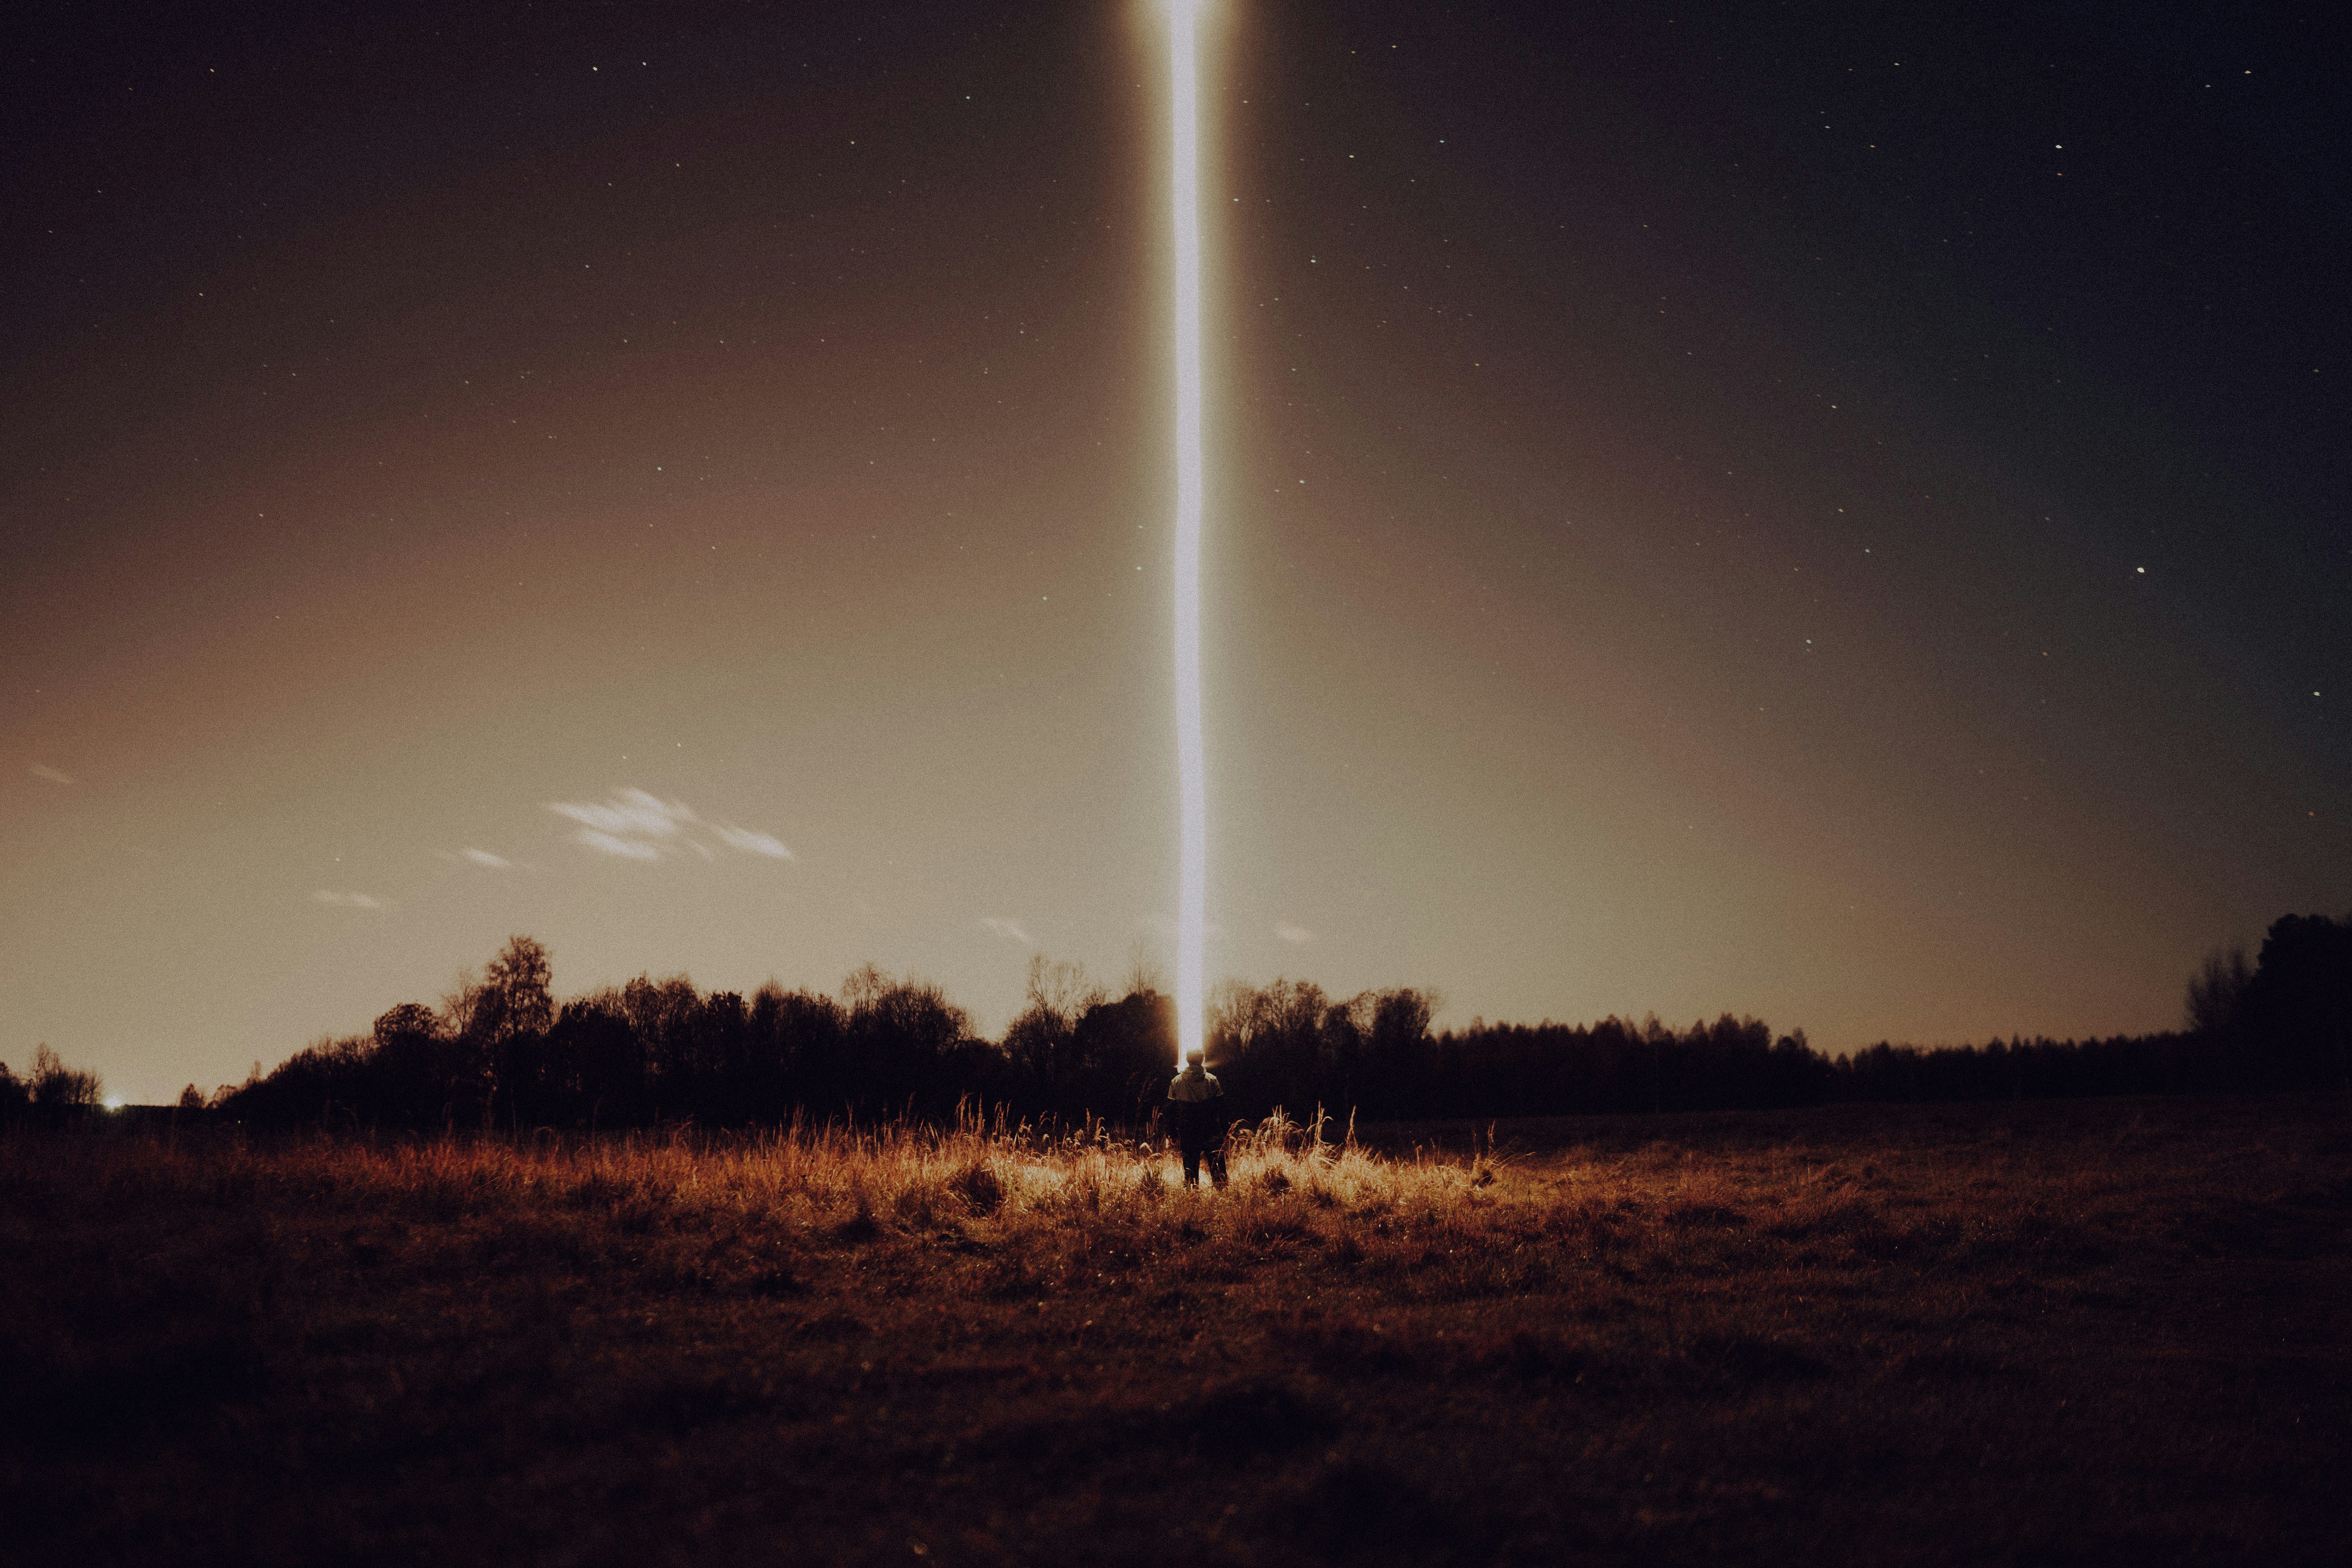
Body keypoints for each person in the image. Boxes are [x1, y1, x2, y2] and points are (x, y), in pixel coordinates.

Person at [1167, 1046, 1228, 1188]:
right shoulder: (1212, 1080)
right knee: (1218, 1166)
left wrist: (1173, 1133)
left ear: (1187, 1061)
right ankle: (1223, 1197)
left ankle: (1192, 1197)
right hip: (1210, 1128)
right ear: (1203, 1060)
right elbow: (1222, 1108)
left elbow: (1171, 1111)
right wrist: (1225, 1131)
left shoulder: (1176, 1082)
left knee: (1190, 1168)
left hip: (1187, 1130)